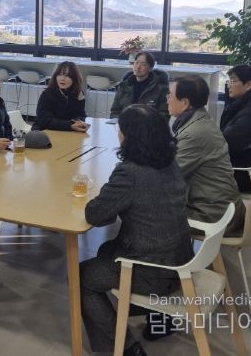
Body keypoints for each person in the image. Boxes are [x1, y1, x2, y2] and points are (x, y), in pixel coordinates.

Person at [80, 104, 193, 356]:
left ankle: (127, 348)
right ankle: (159, 317)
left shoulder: (129, 173)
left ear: (129, 137)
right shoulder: (169, 162)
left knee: (82, 278)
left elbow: (95, 215)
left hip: (154, 272)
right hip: (182, 259)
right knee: (106, 249)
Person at [168, 75, 245, 236]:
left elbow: (168, 176)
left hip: (212, 215)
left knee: (143, 212)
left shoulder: (194, 133)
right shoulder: (200, 119)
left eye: (170, 95)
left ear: (185, 103)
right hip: (218, 206)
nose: (167, 99)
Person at [32, 61, 89, 131]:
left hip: (66, 130)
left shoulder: (79, 94)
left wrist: (79, 122)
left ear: (74, 78)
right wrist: (70, 125)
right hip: (43, 131)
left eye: (67, 76)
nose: (62, 79)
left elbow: (81, 114)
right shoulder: (47, 94)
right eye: (59, 75)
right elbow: (44, 120)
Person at [109, 51, 169, 119]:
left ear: (150, 68)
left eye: (143, 64)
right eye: (136, 62)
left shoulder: (160, 88)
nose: (138, 67)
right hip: (124, 124)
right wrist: (121, 122)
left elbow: (164, 116)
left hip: (148, 125)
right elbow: (114, 112)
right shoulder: (124, 85)